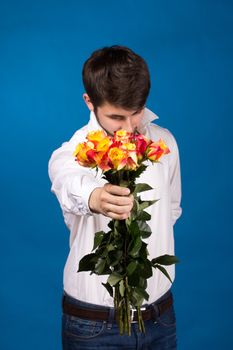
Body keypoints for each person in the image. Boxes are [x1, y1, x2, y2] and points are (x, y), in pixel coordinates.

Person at [48, 45, 182, 349]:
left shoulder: (165, 143)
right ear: (89, 103)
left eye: (136, 113)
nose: (128, 128)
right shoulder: (74, 151)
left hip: (160, 317)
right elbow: (68, 180)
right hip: (94, 325)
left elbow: (171, 211)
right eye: (116, 116)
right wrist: (95, 197)